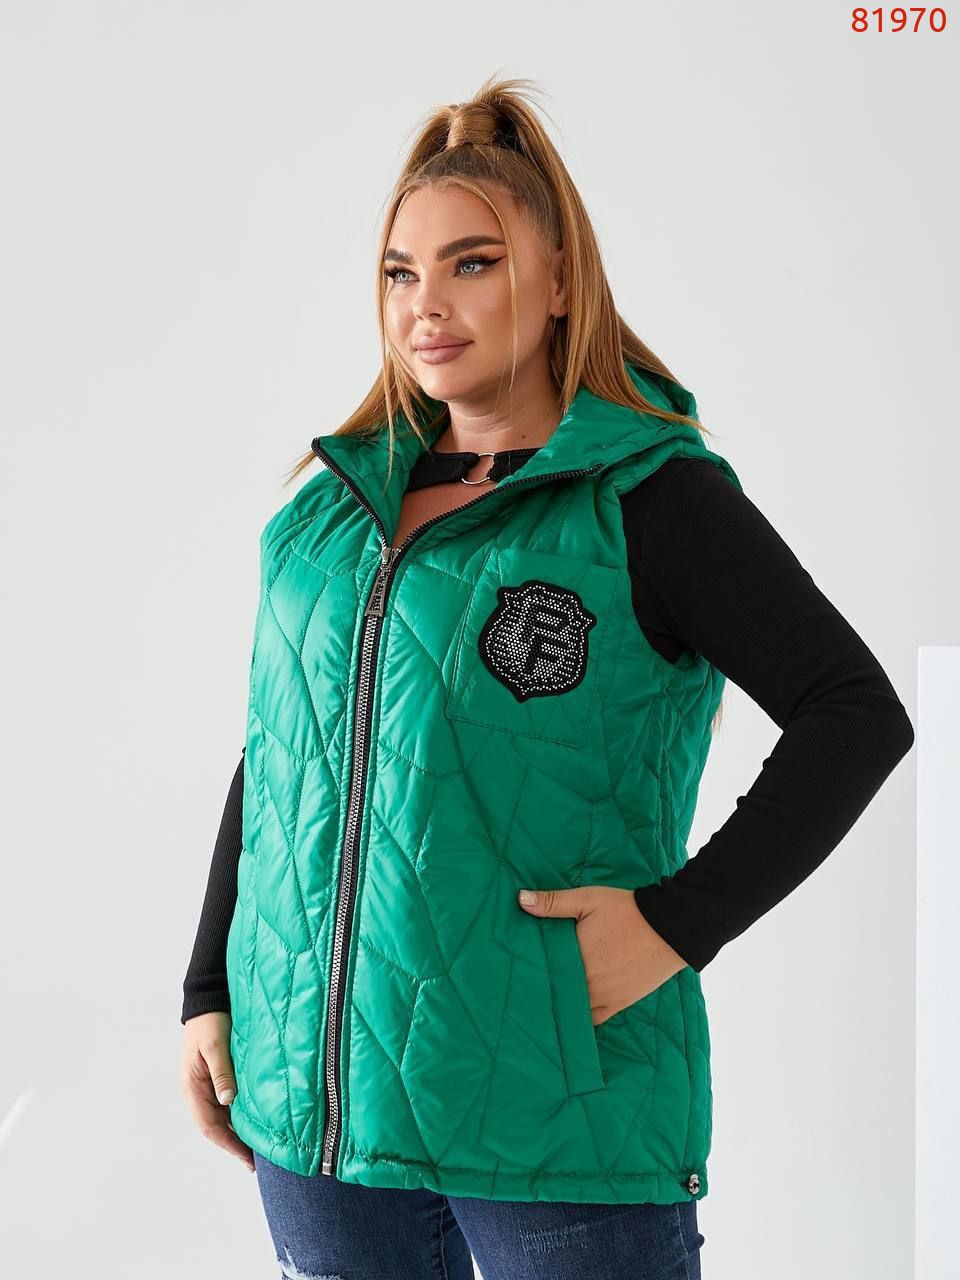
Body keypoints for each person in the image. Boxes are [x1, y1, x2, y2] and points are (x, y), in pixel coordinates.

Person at [179, 75, 915, 1280]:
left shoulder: (652, 500)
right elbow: (282, 748)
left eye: (471, 264)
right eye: (400, 273)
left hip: (553, 1111)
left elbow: (855, 712)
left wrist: (678, 922)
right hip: (315, 1108)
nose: (427, 305)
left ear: (561, 279)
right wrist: (210, 983)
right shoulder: (326, 517)